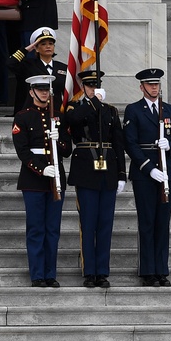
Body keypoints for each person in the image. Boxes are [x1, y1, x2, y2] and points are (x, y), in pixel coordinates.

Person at [123, 68, 171, 287]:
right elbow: (130, 143)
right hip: (144, 173)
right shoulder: (133, 110)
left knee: (163, 222)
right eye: (149, 85)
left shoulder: (170, 110)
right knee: (147, 221)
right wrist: (148, 167)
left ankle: (161, 269)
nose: (154, 88)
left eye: (156, 84)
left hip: (167, 172)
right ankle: (147, 270)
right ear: (142, 87)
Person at [62, 70, 127, 288]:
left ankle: (102, 271)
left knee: (105, 224)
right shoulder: (76, 107)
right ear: (84, 87)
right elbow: (72, 120)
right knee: (88, 223)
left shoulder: (110, 111)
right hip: (86, 170)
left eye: (95, 85)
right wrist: (91, 103)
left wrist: (121, 174)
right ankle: (89, 271)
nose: (93, 89)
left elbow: (118, 143)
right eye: (89, 86)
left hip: (107, 169)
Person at [11, 74, 71, 287]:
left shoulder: (58, 117)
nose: (44, 92)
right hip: (34, 180)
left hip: (56, 178)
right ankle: (37, 274)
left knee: (52, 229)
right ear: (31, 92)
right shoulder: (23, 117)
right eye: (40, 89)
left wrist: (60, 141)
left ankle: (50, 273)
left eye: (47, 89)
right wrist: (41, 168)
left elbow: (67, 149)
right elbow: (23, 151)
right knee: (36, 228)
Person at [7, 27, 66, 114]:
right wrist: (27, 49)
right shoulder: (29, 65)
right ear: (36, 48)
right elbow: (10, 63)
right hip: (34, 113)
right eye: (43, 44)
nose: (48, 46)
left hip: (56, 112)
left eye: (51, 43)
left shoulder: (63, 67)